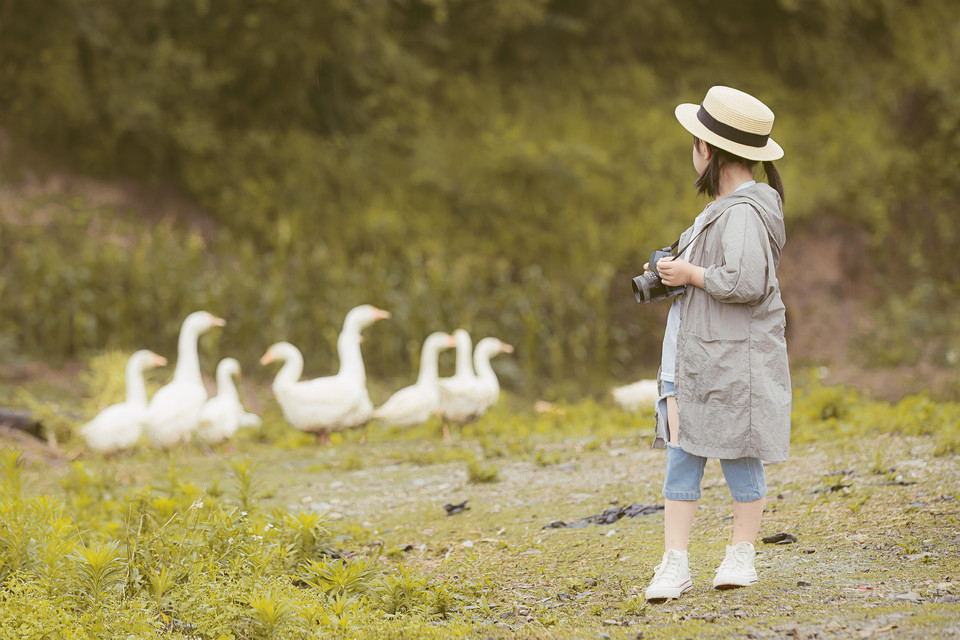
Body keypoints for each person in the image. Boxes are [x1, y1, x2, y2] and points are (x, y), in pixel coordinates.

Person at [641, 85, 791, 601]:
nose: (692, 152)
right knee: (681, 454)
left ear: (711, 151)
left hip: (727, 360)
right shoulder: (727, 209)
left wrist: (691, 272)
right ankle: (674, 562)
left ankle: (741, 554)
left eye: (696, 143)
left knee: (738, 452)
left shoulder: (744, 212)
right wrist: (676, 274)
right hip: (697, 354)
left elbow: (745, 281)